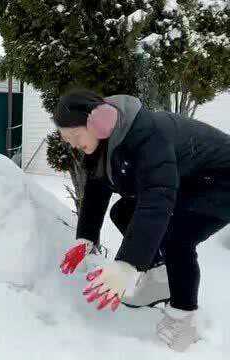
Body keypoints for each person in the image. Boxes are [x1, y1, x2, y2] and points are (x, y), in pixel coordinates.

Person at [55, 89, 230, 352]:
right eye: (67, 140)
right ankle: (160, 278)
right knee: (123, 212)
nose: (72, 144)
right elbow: (96, 188)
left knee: (176, 237)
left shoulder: (148, 136)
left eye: (74, 136)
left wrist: (127, 265)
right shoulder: (105, 143)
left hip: (221, 181)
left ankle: (184, 318)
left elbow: (156, 202)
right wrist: (86, 237)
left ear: (98, 121)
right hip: (189, 180)